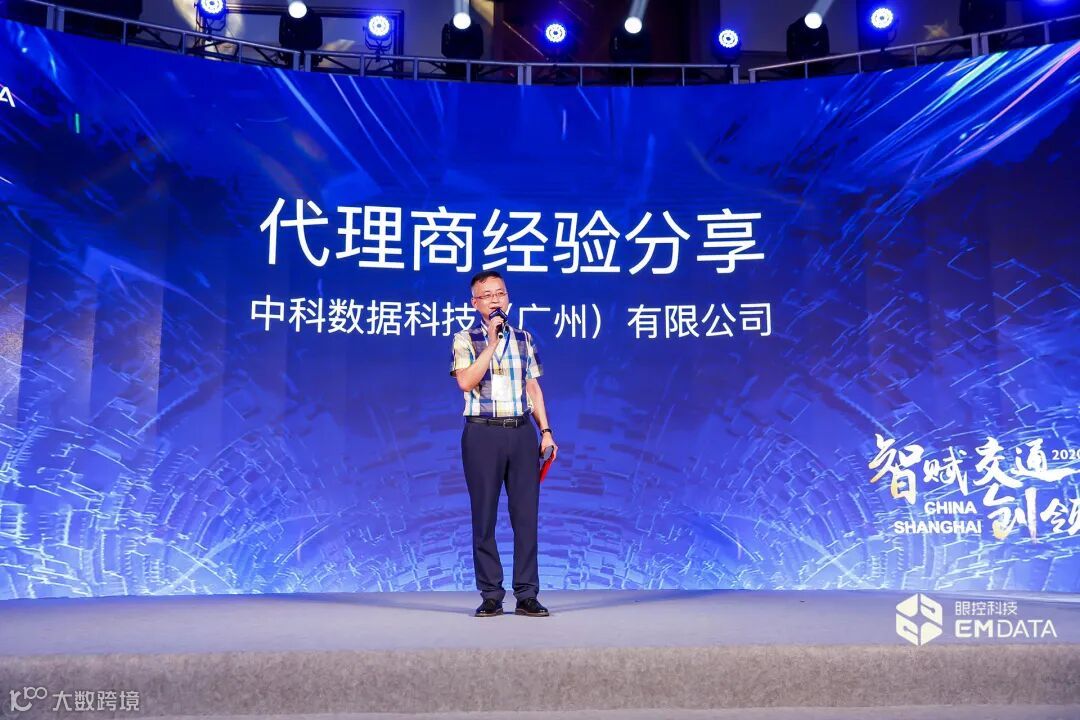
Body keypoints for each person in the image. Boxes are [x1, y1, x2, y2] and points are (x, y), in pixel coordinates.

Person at [450, 270, 558, 618]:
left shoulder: (524, 339)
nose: (495, 300)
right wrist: (492, 344)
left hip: (521, 431)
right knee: (484, 516)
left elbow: (533, 387)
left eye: (500, 293)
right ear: (475, 303)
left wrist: (545, 430)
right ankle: (491, 595)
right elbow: (466, 382)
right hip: (482, 433)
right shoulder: (465, 339)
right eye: (487, 295)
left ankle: (527, 594)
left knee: (526, 516)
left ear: (508, 298)